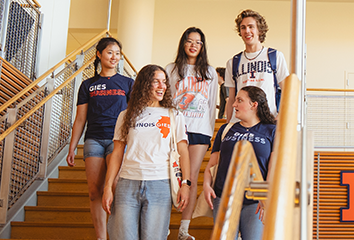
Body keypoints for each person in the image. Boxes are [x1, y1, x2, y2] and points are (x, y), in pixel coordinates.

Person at [102, 64, 193, 240]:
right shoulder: (126, 115)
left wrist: (186, 184)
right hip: (127, 184)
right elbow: (117, 153)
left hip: (160, 184)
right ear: (144, 84)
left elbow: (183, 150)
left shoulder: (174, 115)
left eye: (164, 82)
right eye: (156, 81)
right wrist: (108, 186)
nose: (162, 86)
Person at [66, 37, 131, 240]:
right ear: (99, 55)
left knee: (114, 187)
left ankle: (120, 234)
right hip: (93, 139)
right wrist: (72, 148)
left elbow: (133, 115)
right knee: (94, 191)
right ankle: (101, 237)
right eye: (110, 52)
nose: (114, 57)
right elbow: (80, 119)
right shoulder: (88, 85)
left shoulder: (128, 83)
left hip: (117, 140)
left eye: (117, 53)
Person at [164, 27, 219, 240]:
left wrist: (210, 131)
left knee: (191, 177)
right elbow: (166, 100)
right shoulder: (171, 69)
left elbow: (211, 102)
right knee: (170, 176)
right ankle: (164, 226)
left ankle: (183, 230)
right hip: (176, 128)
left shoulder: (210, 72)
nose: (193, 45)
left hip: (200, 130)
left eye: (198, 42)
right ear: (183, 43)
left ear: (202, 47)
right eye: (189, 40)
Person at [202, 86, 276, 240]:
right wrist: (206, 185)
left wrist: (265, 197)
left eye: (239, 100)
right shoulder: (226, 129)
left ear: (253, 105)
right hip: (224, 198)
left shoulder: (271, 130)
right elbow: (212, 164)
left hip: (255, 200)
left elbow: (273, 167)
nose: (234, 104)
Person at [224, 9, 288, 125]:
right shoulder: (233, 62)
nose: (247, 31)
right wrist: (229, 124)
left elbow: (287, 91)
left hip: (266, 122)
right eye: (243, 27)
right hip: (240, 123)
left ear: (259, 30)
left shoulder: (275, 56)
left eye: (251, 26)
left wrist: (279, 117)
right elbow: (231, 99)